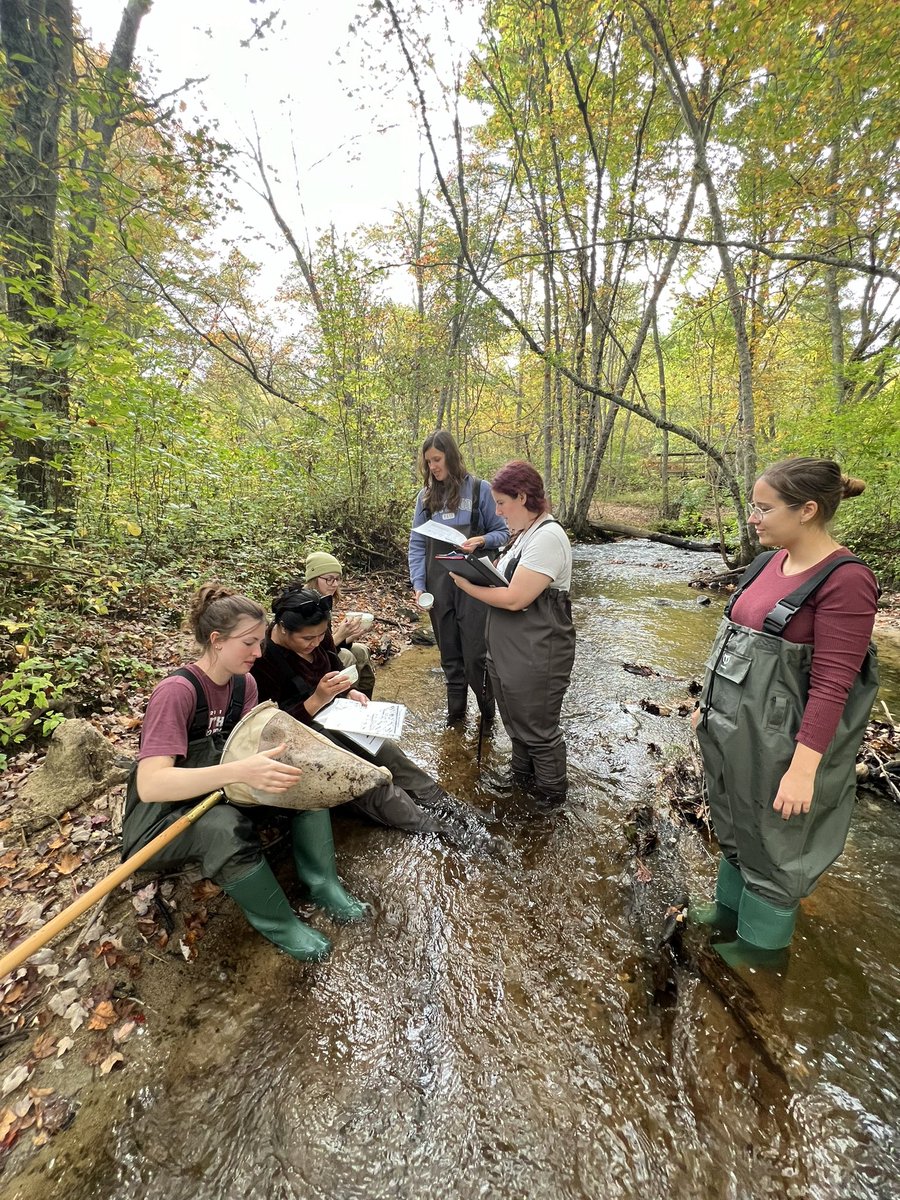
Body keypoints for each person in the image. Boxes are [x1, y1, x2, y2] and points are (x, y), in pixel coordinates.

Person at [692, 458, 880, 966]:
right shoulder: (764, 564)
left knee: (778, 845)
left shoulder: (847, 580)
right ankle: (728, 912)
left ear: (808, 511)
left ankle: (758, 956)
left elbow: (834, 684)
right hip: (731, 730)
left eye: (764, 508)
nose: (753, 517)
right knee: (732, 822)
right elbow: (731, 644)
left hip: (786, 741)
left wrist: (803, 770)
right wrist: (703, 710)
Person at [121, 585, 367, 965]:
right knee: (222, 827)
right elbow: (152, 784)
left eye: (259, 642)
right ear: (216, 641)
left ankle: (324, 885)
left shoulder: (245, 683)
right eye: (249, 643)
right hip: (162, 818)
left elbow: (254, 747)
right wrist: (240, 771)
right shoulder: (177, 693)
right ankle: (282, 924)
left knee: (301, 783)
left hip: (225, 789)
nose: (259, 652)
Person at [251, 586, 470, 837]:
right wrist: (317, 699)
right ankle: (434, 829)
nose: (316, 643)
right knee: (365, 777)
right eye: (307, 639)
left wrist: (348, 692)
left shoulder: (320, 637)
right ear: (282, 628)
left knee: (388, 752)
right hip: (301, 733)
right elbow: (272, 727)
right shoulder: (263, 659)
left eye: (321, 635)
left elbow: (333, 664)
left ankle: (451, 807)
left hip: (333, 712)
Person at [448, 461, 576, 804]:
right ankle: (520, 784)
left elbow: (517, 597)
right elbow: (505, 580)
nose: (498, 511)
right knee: (515, 722)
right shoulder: (524, 535)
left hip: (537, 652)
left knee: (538, 729)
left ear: (522, 497)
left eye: (502, 503)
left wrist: (465, 584)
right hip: (510, 650)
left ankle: (549, 802)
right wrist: (474, 567)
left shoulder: (548, 536)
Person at [408, 430, 508, 725]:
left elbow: (503, 533)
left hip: (476, 585)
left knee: (477, 657)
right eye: (428, 463)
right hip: (438, 587)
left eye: (437, 460)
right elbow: (416, 545)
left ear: (450, 456)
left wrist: (481, 541)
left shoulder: (479, 490)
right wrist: (418, 584)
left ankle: (487, 718)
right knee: (450, 657)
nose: (433, 467)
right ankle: (455, 720)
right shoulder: (425, 497)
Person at [304, 550, 376, 698]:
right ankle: (345, 701)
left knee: (361, 651)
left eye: (337, 579)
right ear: (313, 578)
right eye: (329, 579)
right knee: (347, 656)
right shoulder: (306, 605)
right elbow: (313, 648)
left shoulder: (325, 601)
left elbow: (330, 641)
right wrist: (341, 634)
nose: (334, 584)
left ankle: (366, 701)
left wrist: (350, 635)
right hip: (310, 658)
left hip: (325, 649)